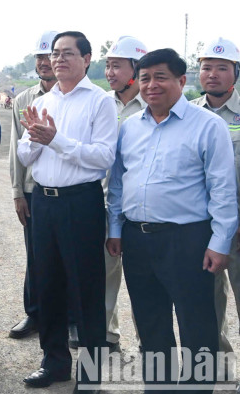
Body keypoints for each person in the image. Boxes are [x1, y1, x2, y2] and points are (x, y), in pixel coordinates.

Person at [107, 48, 238, 391]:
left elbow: (223, 190)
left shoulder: (208, 126)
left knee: (197, 323)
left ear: (181, 81)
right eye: (145, 77)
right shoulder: (130, 127)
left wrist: (220, 242)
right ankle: (160, 387)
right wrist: (116, 229)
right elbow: (118, 183)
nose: (151, 85)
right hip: (137, 238)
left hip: (188, 240)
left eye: (160, 77)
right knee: (151, 322)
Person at [17, 31, 117, 389]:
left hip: (80, 202)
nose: (58, 60)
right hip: (44, 200)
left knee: (85, 289)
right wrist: (34, 137)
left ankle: (90, 375)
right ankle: (54, 361)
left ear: (87, 59)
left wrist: (55, 140)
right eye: (54, 53)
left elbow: (104, 157)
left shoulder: (100, 102)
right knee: (48, 285)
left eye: (67, 53)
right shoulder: (47, 100)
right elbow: (25, 155)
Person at [96, 35, 147, 353]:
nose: (110, 72)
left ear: (135, 68)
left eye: (117, 65)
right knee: (104, 277)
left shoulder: (155, 102)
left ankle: (149, 340)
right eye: (108, 65)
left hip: (144, 209)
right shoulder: (102, 102)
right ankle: (105, 335)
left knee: (147, 283)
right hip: (105, 204)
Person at [191, 37, 240, 358]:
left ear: (235, 73)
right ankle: (218, 362)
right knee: (206, 302)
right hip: (201, 227)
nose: (213, 74)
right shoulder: (190, 113)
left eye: (222, 68)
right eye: (207, 67)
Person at [8, 30, 57, 340]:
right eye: (39, 57)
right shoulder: (25, 99)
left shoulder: (81, 98)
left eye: (49, 56)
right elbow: (16, 146)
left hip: (69, 191)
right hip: (32, 188)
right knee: (35, 254)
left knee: (67, 256)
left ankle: (67, 317)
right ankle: (34, 313)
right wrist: (17, 192)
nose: (44, 62)